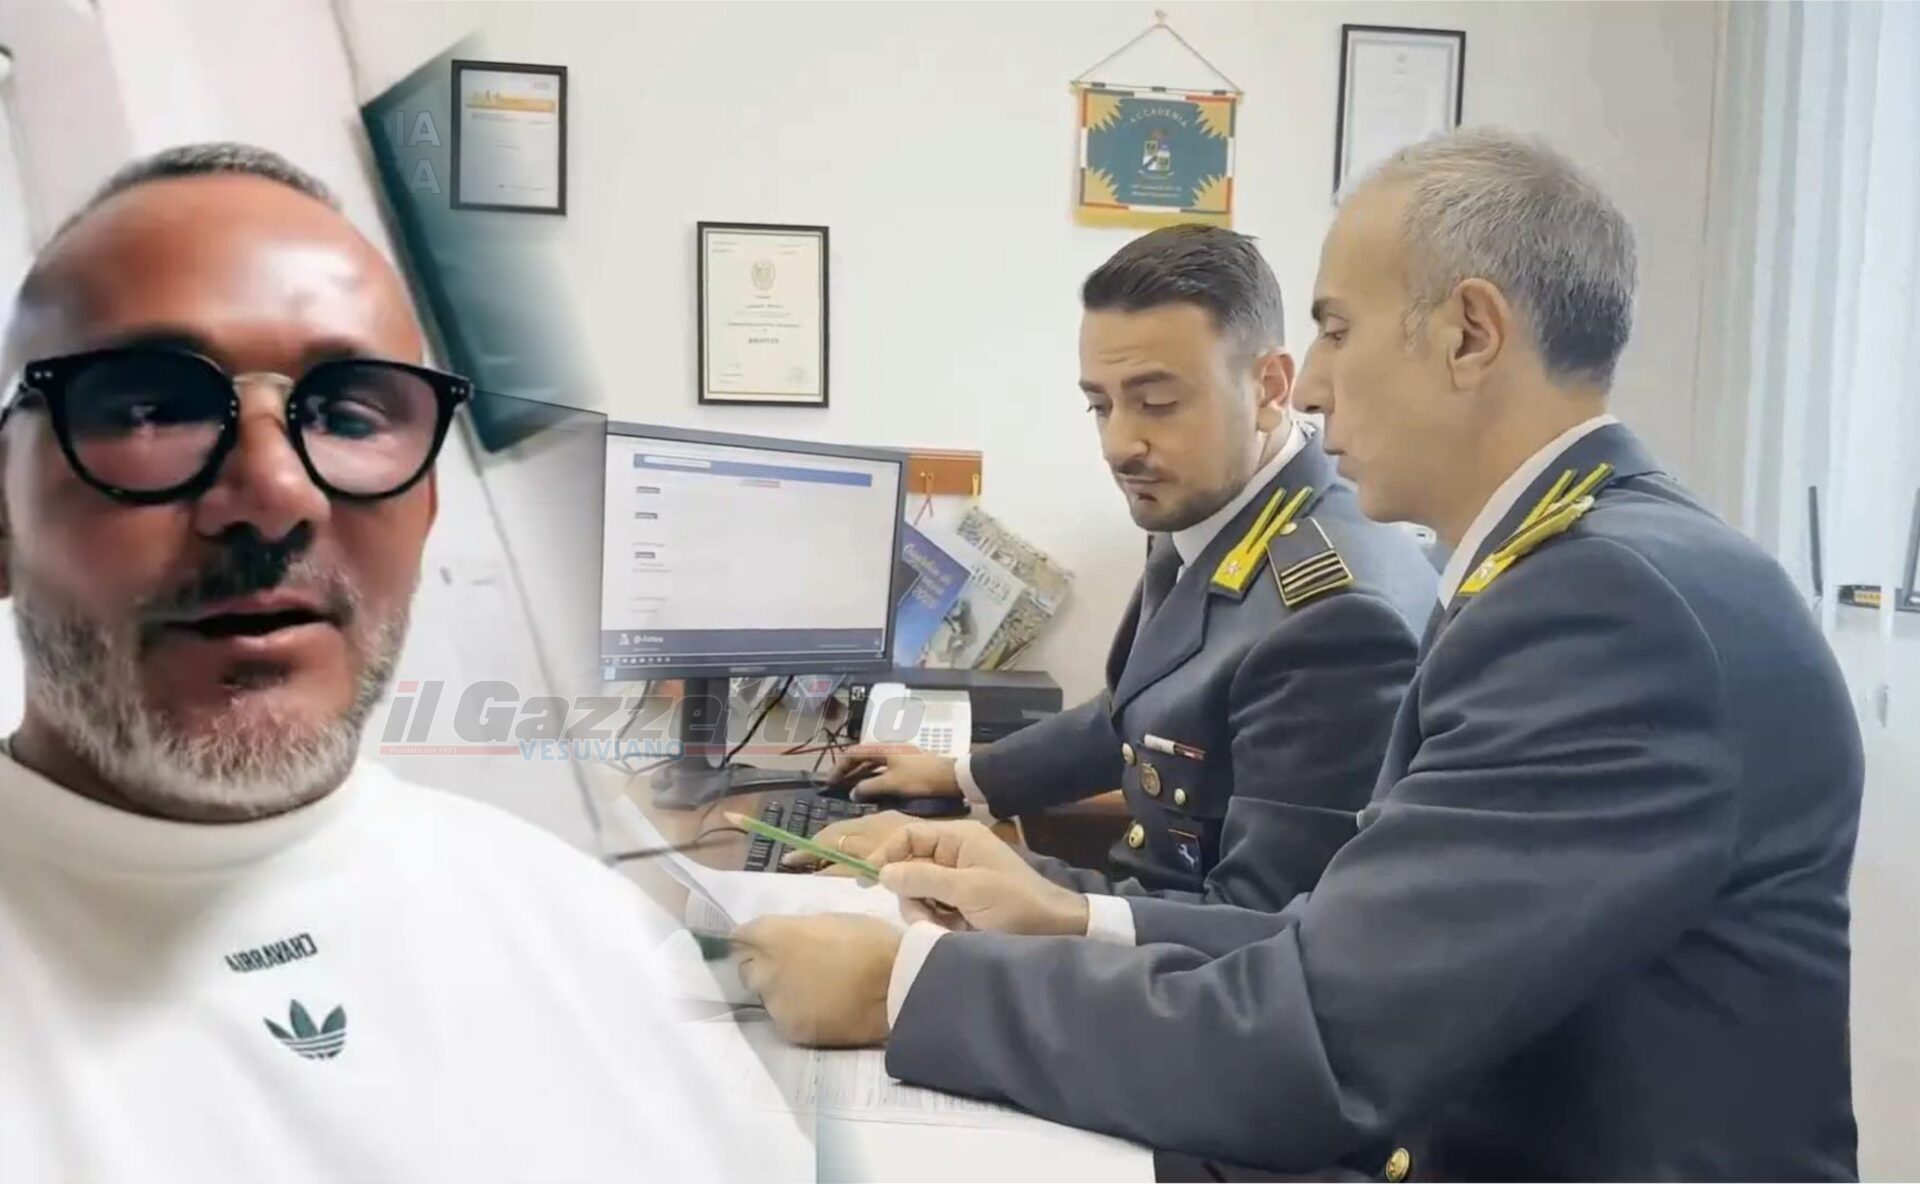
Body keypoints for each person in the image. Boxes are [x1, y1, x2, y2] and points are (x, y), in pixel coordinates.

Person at [732, 127, 1864, 1181]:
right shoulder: (1580, 566)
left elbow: (1324, 1037)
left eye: (1336, 329)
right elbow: (1349, 946)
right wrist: (1068, 915)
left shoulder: (1606, 610)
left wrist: (907, 986)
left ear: (1470, 334)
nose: (1312, 387)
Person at [0, 144, 793, 1181]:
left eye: (347, 414)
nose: (274, 492)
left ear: (424, 510)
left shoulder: (594, 933)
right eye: (150, 408)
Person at [802, 225, 1432, 913]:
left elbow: (1259, 928)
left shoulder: (1334, 617)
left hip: (1182, 958)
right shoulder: (1211, 507)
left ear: (1269, 387)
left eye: (1157, 403)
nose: (1117, 444)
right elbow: (1136, 718)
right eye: (1100, 405)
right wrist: (959, 775)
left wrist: (981, 873)